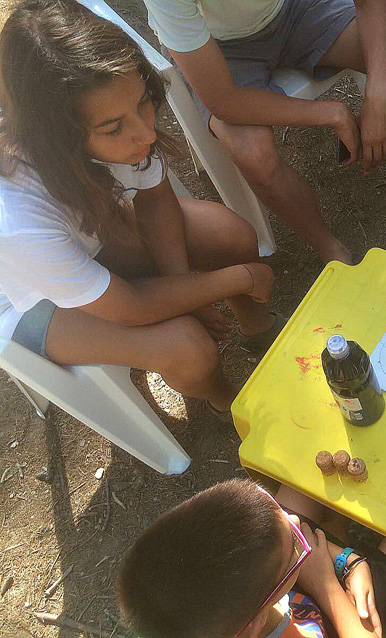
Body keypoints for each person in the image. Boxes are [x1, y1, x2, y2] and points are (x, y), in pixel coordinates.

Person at [0, 0, 284, 420]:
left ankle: (257, 329)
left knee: (233, 236)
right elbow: (130, 305)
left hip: (87, 232)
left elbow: (155, 203)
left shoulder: (104, 116)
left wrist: (184, 285)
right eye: (115, 127)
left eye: (142, 102)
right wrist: (235, 280)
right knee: (187, 349)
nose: (146, 132)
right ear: (58, 137)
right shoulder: (18, 223)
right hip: (30, 302)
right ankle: (226, 400)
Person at [141, 0, 386, 260]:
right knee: (252, 151)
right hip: (216, 47)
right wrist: (332, 114)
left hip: (293, 9)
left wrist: (377, 92)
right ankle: (329, 248)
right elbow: (224, 100)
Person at [117, 478, 386, 638]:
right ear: (254, 623)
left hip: (301, 586)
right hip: (332, 615)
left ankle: (330, 534)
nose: (294, 522)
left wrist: (346, 560)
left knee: (299, 483)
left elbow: (289, 525)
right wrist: (325, 583)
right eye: (291, 555)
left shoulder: (210, 609)